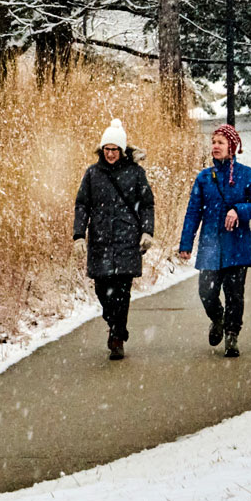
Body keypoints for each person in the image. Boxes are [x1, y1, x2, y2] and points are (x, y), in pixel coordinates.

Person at [177, 123, 251, 358]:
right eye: (213, 142)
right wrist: (186, 243)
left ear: (232, 147)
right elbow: (193, 211)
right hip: (210, 246)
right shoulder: (205, 178)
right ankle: (217, 319)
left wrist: (238, 210)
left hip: (237, 245)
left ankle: (232, 335)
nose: (215, 146)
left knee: (234, 294)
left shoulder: (247, 175)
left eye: (220, 142)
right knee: (206, 292)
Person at [73, 119, 155, 360]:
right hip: (100, 240)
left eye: (115, 149)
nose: (110, 154)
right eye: (107, 149)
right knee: (102, 290)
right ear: (102, 150)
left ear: (122, 150)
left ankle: (117, 336)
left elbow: (147, 205)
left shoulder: (136, 173)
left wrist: (147, 232)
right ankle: (115, 323)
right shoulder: (92, 174)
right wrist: (79, 235)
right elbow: (82, 205)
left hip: (127, 239)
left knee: (122, 290)